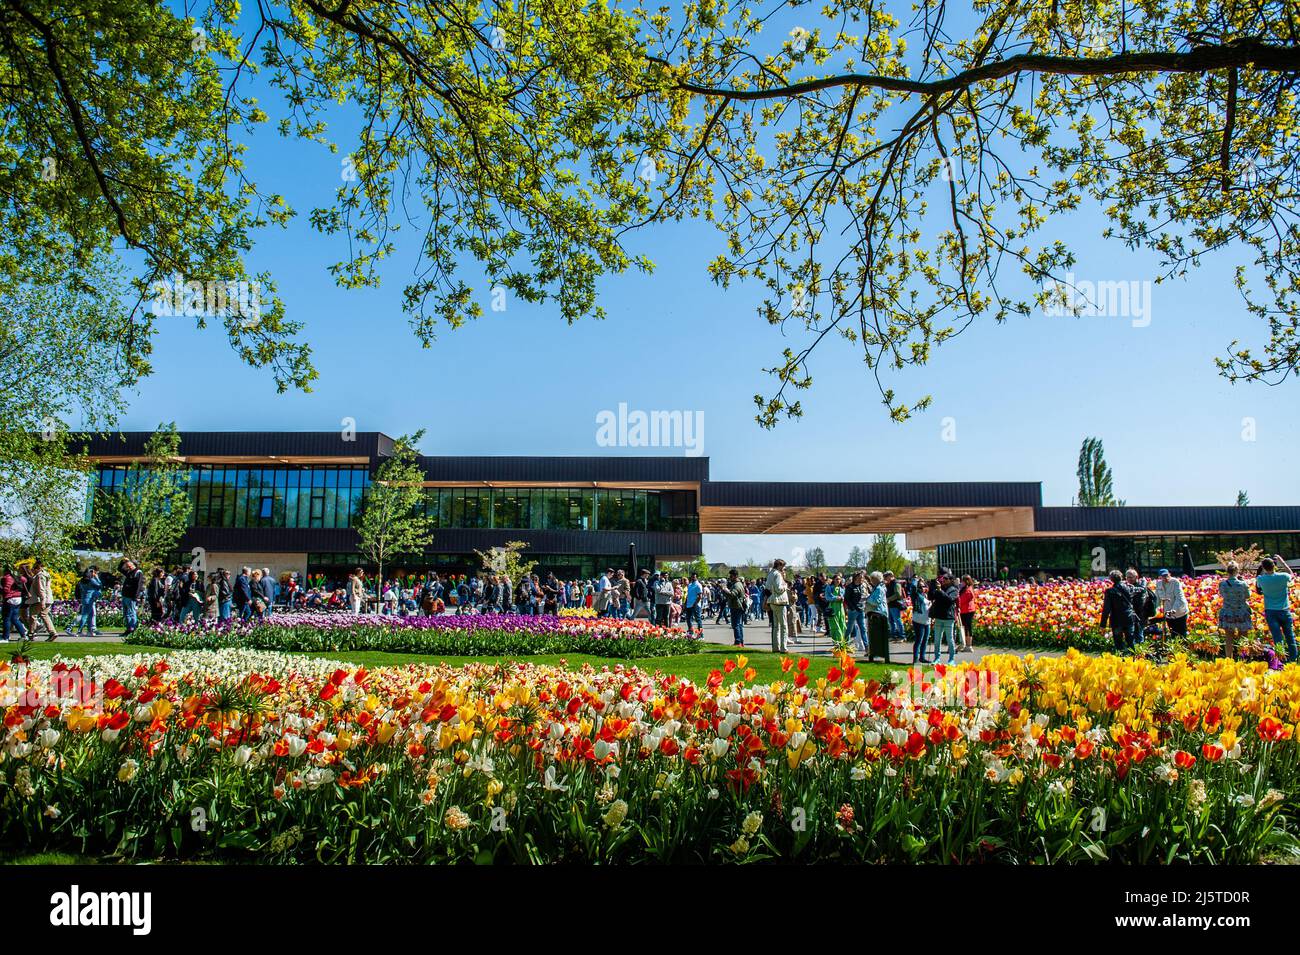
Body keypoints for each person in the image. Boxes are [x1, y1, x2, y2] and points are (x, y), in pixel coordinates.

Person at [1256, 555, 1297, 663]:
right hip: (1284, 610)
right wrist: (1282, 562)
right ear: (1274, 565)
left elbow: (1258, 583)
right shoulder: (1283, 576)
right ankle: (1293, 660)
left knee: (1277, 638)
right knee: (1290, 636)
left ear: (1264, 568)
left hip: (1270, 611)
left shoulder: (1261, 579)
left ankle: (1281, 661)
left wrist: (1262, 567)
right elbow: (1291, 574)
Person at [1217, 560, 1253, 661]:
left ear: (1227, 571)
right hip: (1241, 612)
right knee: (1243, 636)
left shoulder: (1222, 584)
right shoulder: (1243, 584)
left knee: (1229, 637)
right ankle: (1245, 658)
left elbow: (1222, 595)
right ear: (1237, 570)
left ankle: (1229, 658)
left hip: (1228, 611)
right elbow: (1248, 596)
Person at [1100, 569, 1137, 654]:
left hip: (1116, 620)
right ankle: (1134, 660)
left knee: (1118, 643)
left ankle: (1121, 660)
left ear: (1111, 579)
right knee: (1131, 641)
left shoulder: (1110, 591)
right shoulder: (1129, 588)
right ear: (1122, 577)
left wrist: (1103, 624)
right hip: (1129, 617)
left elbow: (1106, 609)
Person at [928, 571, 959, 664]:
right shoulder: (939, 588)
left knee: (950, 639)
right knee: (937, 640)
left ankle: (951, 659)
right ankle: (936, 659)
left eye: (946, 579)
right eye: (943, 579)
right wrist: (932, 586)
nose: (943, 580)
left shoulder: (954, 589)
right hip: (939, 617)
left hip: (948, 618)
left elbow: (949, 600)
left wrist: (940, 590)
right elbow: (930, 597)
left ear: (950, 580)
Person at [25, 560, 58, 641]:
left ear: (37, 568)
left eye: (34, 569)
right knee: (44, 615)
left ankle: (31, 634)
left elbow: (41, 589)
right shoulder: (47, 574)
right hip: (48, 598)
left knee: (33, 616)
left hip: (40, 599)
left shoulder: (40, 576)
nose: (32, 570)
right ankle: (52, 632)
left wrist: (42, 601)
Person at [1153, 569, 1189, 637]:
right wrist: (1153, 611)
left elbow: (1179, 598)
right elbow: (1157, 599)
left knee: (1181, 634)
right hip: (1168, 614)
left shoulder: (1175, 582)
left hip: (1180, 612)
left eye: (1167, 575)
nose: (1165, 578)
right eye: (1163, 576)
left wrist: (1173, 610)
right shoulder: (1159, 584)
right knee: (1173, 633)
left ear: (1170, 574)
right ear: (1159, 577)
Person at [864, 570, 891, 662]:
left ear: (877, 579)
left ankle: (880, 654)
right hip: (875, 614)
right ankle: (874, 653)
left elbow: (876, 602)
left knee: (879, 637)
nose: (871, 581)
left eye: (873, 579)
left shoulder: (880, 589)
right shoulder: (876, 588)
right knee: (873, 637)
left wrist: (867, 599)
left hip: (879, 614)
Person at [766, 559, 791, 652]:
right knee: (784, 626)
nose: (783, 568)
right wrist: (785, 586)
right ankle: (783, 648)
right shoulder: (777, 574)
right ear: (779, 566)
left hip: (772, 601)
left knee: (776, 626)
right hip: (780, 602)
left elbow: (768, 588)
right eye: (783, 566)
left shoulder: (770, 574)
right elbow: (778, 588)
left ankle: (775, 647)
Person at [71, 567, 102, 637]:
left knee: (90, 615)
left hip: (84, 599)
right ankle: (79, 631)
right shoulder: (91, 581)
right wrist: (97, 577)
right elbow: (100, 586)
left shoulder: (82, 581)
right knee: (85, 615)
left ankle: (89, 631)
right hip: (90, 599)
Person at [1, 564, 28, 642]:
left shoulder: (7, 578)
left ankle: (5, 637)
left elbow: (6, 589)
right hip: (18, 598)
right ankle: (23, 635)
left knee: (6, 618)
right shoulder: (18, 577)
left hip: (10, 599)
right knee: (14, 618)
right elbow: (25, 580)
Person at [118, 558, 144, 637]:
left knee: (131, 613)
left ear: (134, 564)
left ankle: (133, 628)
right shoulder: (129, 572)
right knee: (126, 613)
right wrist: (123, 561)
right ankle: (128, 628)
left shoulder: (138, 572)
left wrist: (135, 596)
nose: (128, 566)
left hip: (131, 596)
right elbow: (120, 569)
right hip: (125, 595)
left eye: (130, 564)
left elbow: (138, 586)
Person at [844, 571, 867, 653]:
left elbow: (865, 595)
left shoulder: (862, 586)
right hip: (853, 610)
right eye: (860, 577)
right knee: (850, 628)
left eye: (862, 577)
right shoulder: (850, 587)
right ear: (856, 577)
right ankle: (845, 645)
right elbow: (847, 599)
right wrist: (853, 608)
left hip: (861, 610)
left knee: (863, 628)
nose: (862, 578)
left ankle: (867, 646)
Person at [724, 569, 748, 646]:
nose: (730, 578)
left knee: (736, 624)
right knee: (739, 624)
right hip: (738, 606)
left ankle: (738, 641)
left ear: (735, 576)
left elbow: (732, 595)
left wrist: (724, 589)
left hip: (736, 606)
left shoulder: (736, 585)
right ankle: (740, 641)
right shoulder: (739, 584)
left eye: (731, 576)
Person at [910, 577, 931, 664]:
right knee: (919, 640)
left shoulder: (925, 595)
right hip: (918, 621)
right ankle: (915, 659)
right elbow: (913, 587)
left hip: (926, 620)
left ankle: (922, 657)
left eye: (923, 586)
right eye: (920, 587)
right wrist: (915, 579)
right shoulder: (915, 595)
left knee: (925, 640)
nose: (922, 588)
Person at [884, 571, 906, 643]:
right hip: (891, 605)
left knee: (897, 620)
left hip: (895, 605)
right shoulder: (890, 584)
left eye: (886, 576)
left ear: (890, 576)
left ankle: (902, 636)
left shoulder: (896, 583)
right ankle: (893, 636)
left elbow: (898, 595)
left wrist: (889, 599)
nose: (885, 578)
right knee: (891, 621)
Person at [957, 574, 977, 652]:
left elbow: (962, 600)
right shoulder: (966, 588)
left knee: (968, 628)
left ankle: (969, 645)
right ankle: (966, 644)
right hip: (965, 610)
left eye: (963, 581)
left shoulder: (968, 590)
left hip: (967, 611)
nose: (961, 582)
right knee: (966, 627)